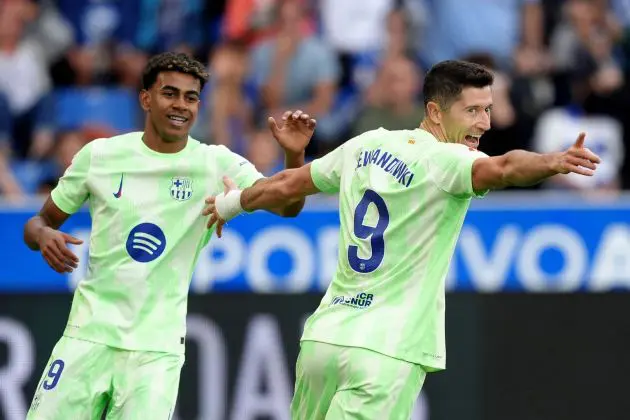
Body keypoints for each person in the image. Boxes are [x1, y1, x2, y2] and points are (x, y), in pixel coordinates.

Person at [203, 60, 601, 420]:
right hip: (387, 351)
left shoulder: (367, 144)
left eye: (488, 110)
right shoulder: (448, 160)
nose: (485, 123)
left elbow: (289, 183)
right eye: (473, 111)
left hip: (324, 340)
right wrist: (552, 161)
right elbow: (505, 168)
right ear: (435, 112)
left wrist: (232, 203)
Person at [23, 52, 316, 419]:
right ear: (146, 98)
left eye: (190, 98)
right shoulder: (100, 156)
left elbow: (288, 207)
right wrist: (45, 234)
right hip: (87, 338)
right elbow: (35, 224)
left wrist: (294, 158)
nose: (181, 105)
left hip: (155, 353)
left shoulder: (215, 162)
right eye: (170, 94)